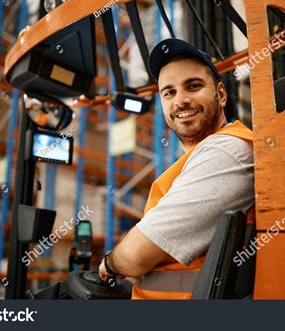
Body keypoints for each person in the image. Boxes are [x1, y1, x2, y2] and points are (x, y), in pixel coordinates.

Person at [99, 38, 255, 299]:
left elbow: (136, 256)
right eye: (169, 92)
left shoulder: (227, 152)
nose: (180, 101)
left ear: (222, 94)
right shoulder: (198, 159)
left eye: (193, 86)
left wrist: (107, 264)